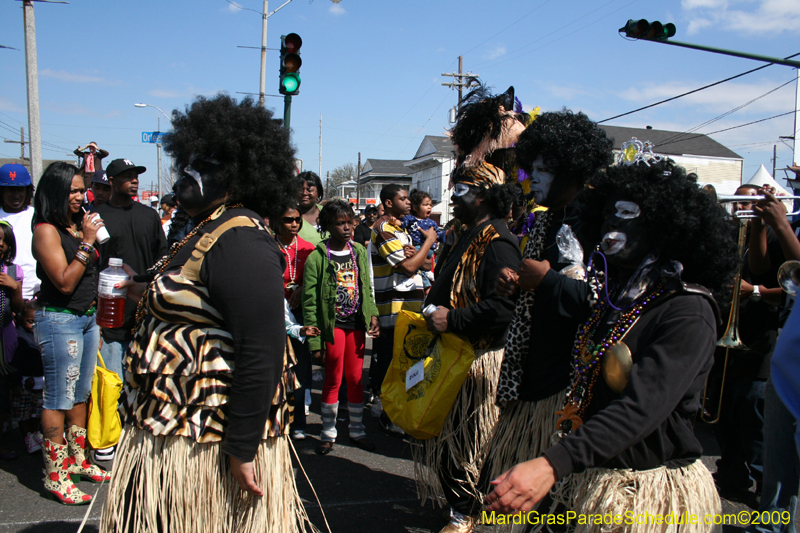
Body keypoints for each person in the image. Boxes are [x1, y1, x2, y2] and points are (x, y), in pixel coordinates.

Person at [485, 160, 740, 533]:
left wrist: (552, 463)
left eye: (627, 215)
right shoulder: (617, 301)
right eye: (606, 215)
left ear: (664, 224)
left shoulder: (688, 310)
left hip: (643, 493)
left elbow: (640, 408)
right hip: (587, 479)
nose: (611, 225)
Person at [101, 94, 313, 532]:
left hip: (206, 442)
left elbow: (263, 351)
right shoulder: (206, 228)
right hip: (169, 430)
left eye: (206, 164)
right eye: (189, 162)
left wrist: (241, 448)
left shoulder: (241, 240)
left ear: (237, 178)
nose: (188, 173)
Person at [418, 166, 522, 532]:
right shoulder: (467, 234)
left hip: (475, 360)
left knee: (464, 446)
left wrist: (454, 319)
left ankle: (465, 515)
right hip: (453, 355)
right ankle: (463, 508)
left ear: (481, 195)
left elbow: (503, 309)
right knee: (448, 444)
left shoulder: (497, 243)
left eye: (459, 190)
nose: (451, 197)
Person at [32, 161, 110, 505]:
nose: (82, 196)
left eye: (82, 190)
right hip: (60, 319)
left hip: (87, 318)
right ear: (56, 192)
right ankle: (55, 475)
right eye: (74, 191)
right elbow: (63, 282)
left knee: (80, 392)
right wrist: (87, 243)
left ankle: (78, 461)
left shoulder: (78, 224)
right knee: (58, 397)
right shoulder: (46, 230)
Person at [303, 199, 380, 455]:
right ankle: (327, 432)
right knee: (333, 377)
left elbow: (367, 288)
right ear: (327, 225)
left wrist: (373, 315)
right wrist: (315, 342)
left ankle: (357, 430)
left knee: (357, 379)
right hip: (333, 325)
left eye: (350, 222)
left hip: (356, 324)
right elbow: (310, 301)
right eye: (340, 223)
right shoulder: (316, 257)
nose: (347, 227)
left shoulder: (358, 250)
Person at [743, 187, 800, 533]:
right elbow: (762, 267)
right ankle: (771, 525)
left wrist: (780, 224)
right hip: (790, 351)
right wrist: (759, 224)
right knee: (778, 450)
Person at [94, 158, 167, 385]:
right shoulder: (97, 216)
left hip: (146, 315)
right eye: (127, 176)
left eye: (136, 176)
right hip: (111, 317)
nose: (134, 180)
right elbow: (92, 266)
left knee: (146, 386)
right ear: (112, 181)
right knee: (113, 387)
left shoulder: (149, 215)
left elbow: (163, 258)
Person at [370, 184, 437, 431]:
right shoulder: (383, 228)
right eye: (403, 198)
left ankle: (400, 412)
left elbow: (426, 264)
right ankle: (389, 414)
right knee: (392, 364)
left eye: (409, 198)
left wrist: (419, 252)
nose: (409, 202)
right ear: (388, 203)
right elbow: (408, 267)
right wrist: (428, 242)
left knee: (409, 362)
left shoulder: (404, 228)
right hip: (393, 309)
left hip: (412, 307)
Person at [270, 200, 315, 441]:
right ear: (277, 221)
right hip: (274, 313)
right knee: (276, 369)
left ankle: (299, 423)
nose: (295, 223)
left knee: (298, 367)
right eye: (289, 219)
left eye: (298, 219)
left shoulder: (309, 248)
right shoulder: (267, 246)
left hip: (300, 315)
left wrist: (302, 287)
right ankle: (276, 420)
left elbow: (317, 280)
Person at [0, 219, 24, 460]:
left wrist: (14, 288)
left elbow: (17, 308)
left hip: (5, 335)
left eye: (3, 240)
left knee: (3, 389)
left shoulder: (13, 271)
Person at [0, 163, 40, 299]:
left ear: (27, 191)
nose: (16, 195)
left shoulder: (37, 216)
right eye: (10, 190)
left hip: (34, 294)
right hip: (3, 295)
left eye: (20, 189)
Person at [10, 300, 43, 454]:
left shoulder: (44, 336)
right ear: (21, 320)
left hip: (40, 382)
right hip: (24, 382)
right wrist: (16, 383)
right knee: (23, 413)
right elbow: (15, 363)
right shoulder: (19, 338)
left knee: (37, 411)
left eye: (38, 322)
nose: (34, 325)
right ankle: (27, 437)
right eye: (30, 322)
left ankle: (35, 433)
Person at [402, 189, 444, 290]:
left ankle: (423, 279)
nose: (429, 206)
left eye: (430, 204)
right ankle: (426, 280)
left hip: (425, 248)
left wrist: (446, 234)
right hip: (419, 247)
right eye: (425, 205)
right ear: (416, 208)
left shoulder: (431, 222)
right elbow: (402, 224)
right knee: (419, 266)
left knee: (414, 260)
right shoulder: (411, 219)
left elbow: (437, 235)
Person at [297, 171, 326, 245]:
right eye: (300, 189)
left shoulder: (328, 213)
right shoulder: (288, 216)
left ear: (318, 192)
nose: (304, 193)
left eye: (309, 190)